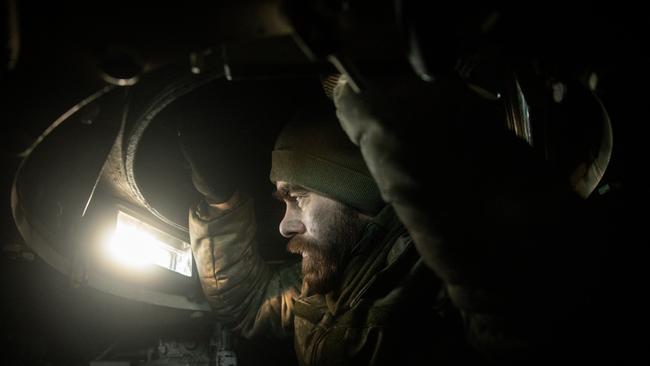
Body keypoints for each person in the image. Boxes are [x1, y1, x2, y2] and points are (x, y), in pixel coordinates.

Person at [184, 74, 614, 365]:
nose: (284, 224)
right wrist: (220, 204)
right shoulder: (331, 280)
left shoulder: (444, 286)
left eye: (297, 196)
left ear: (357, 190)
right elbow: (244, 306)